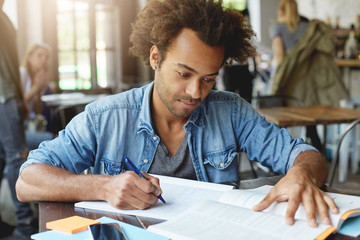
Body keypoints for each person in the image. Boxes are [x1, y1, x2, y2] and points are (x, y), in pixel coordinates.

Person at [17, 0, 338, 229]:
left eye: (209, 78)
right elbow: (27, 181)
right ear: (155, 57)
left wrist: (301, 174)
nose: (197, 92)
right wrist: (102, 186)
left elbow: (307, 156)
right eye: (184, 74)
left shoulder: (230, 110)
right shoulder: (105, 117)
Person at [268, 0, 348, 153]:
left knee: (281, 120)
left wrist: (274, 81)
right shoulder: (307, 28)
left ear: (282, 10)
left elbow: (279, 56)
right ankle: (319, 153)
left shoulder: (277, 27)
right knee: (308, 122)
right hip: (305, 83)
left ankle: (285, 157)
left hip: (288, 81)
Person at [0, 0, 37, 238]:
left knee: (5, 157)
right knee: (17, 157)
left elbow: (12, 64)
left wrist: (22, 97)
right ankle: (25, 225)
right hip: (4, 97)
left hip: (10, 95)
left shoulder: (5, 19)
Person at [20, 43, 54, 150]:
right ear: (29, 57)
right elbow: (17, 103)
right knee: (52, 140)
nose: (43, 60)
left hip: (26, 127)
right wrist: (36, 88)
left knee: (52, 138)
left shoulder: (38, 78)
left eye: (46, 57)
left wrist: (39, 91)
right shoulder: (21, 73)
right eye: (39, 56)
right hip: (16, 130)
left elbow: (37, 111)